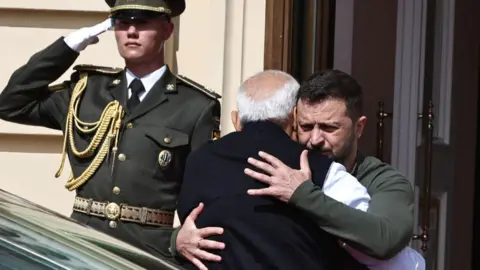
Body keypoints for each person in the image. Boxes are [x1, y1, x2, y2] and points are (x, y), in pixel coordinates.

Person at [0, 0, 221, 259]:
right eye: (123, 23)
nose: (131, 32)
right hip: (81, 248)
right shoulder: (86, 91)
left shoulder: (195, 105)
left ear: (167, 31)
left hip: (149, 254)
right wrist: (69, 46)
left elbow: (205, 193)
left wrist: (176, 240)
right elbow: (10, 104)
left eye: (143, 23)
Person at [176, 70, 424, 270]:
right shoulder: (279, 167)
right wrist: (177, 239)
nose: (314, 139)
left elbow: (384, 241)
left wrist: (304, 195)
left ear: (359, 128)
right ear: (293, 121)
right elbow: (241, 220)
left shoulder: (382, 180)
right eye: (306, 126)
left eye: (329, 128)